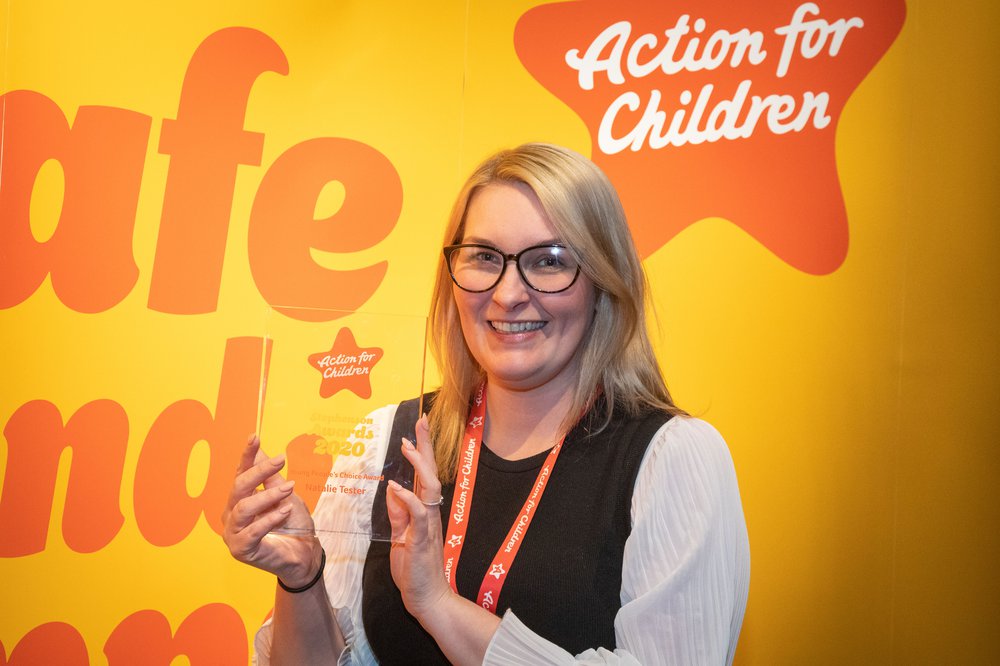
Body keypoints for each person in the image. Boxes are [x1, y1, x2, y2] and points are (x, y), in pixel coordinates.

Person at [223, 143, 750, 665]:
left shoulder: (670, 460)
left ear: (603, 282)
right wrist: (302, 577)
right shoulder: (387, 442)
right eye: (484, 257)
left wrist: (437, 606)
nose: (508, 294)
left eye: (548, 261)